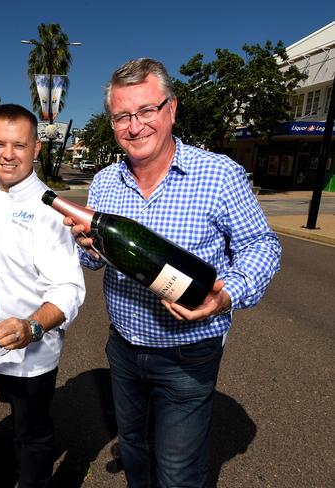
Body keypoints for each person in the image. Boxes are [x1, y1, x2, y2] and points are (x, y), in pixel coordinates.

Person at [67, 59, 281, 488]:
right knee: (134, 449)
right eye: (122, 116)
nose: (135, 126)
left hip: (189, 353)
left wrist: (225, 296)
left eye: (147, 111)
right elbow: (95, 261)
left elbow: (263, 246)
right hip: (124, 348)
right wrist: (87, 248)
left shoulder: (218, 175)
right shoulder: (105, 182)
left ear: (171, 110)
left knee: (178, 469)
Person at [0, 104, 85, 488]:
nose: (8, 154)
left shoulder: (50, 208)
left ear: (36, 148)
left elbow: (69, 287)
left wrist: (32, 327)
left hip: (32, 349)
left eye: (19, 145)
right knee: (16, 415)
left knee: (34, 430)